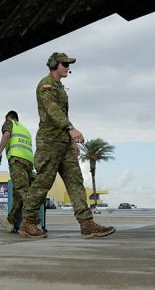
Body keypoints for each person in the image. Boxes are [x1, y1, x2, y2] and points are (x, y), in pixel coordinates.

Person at [19, 53, 115, 239]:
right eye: (64, 64)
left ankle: (87, 224)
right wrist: (71, 129)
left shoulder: (59, 86)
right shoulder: (46, 85)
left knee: (75, 181)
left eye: (68, 64)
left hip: (63, 142)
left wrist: (71, 141)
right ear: (54, 64)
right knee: (43, 183)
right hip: (49, 142)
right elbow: (52, 110)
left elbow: (61, 113)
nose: (67, 67)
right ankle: (28, 222)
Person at [0, 110, 34, 232]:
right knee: (18, 194)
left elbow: (6, 135)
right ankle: (10, 221)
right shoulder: (26, 130)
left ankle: (32, 222)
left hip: (17, 160)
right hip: (28, 162)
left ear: (9, 118)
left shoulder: (9, 123)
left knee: (23, 192)